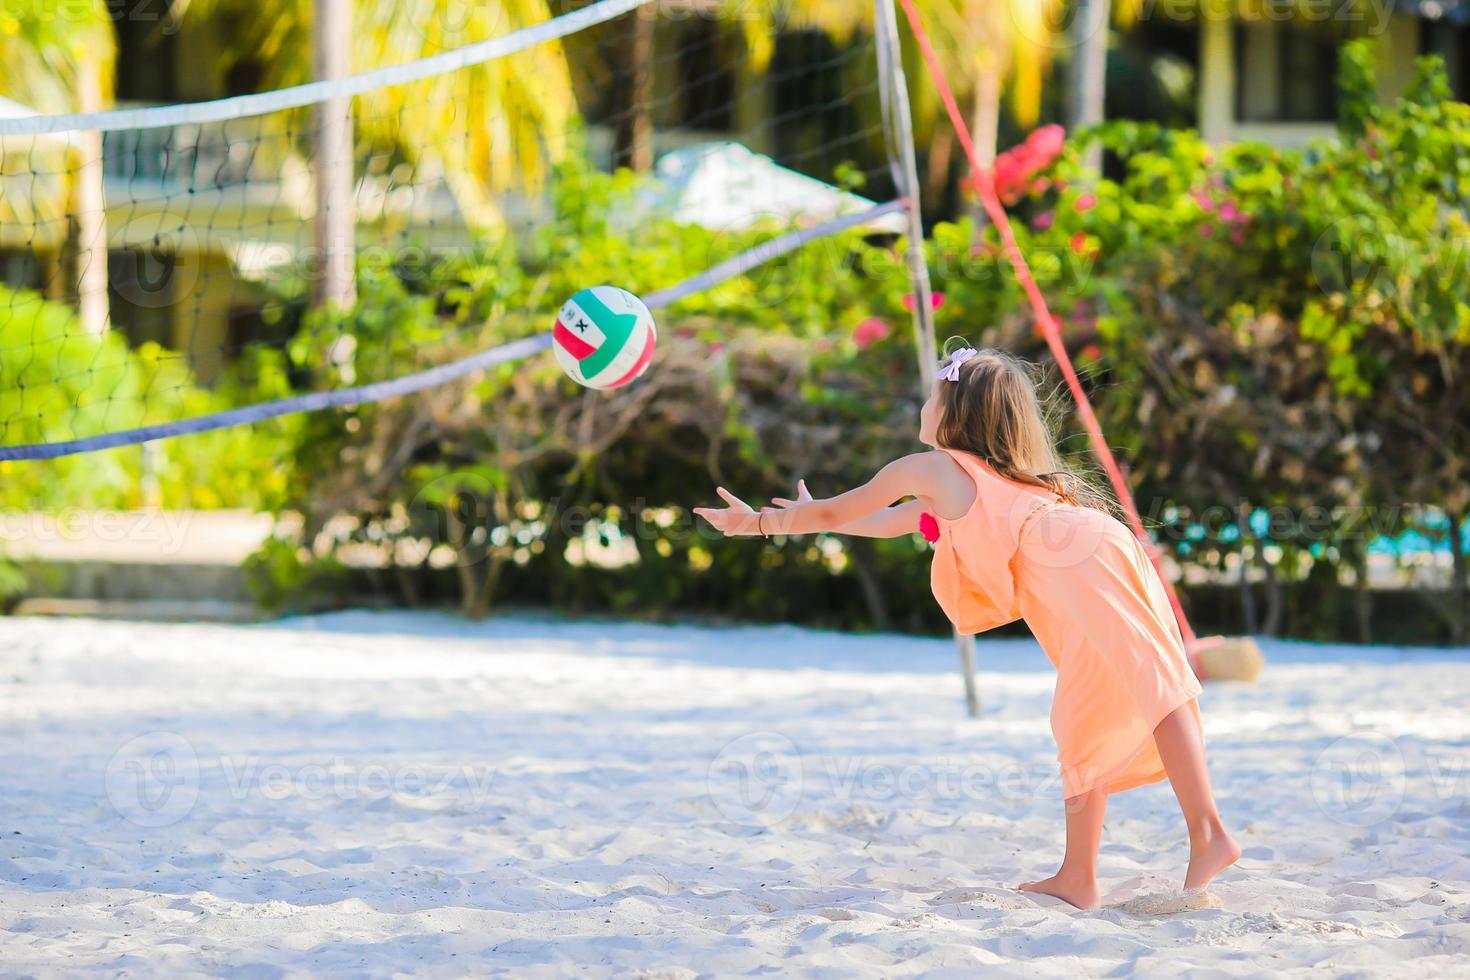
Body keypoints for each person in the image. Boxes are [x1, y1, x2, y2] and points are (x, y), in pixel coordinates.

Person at [694, 346, 1240, 909]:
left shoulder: (930, 466)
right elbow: (882, 521)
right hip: (1080, 551)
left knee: (1150, 683)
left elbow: (837, 513)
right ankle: (1079, 875)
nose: (925, 403)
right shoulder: (982, 482)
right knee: (1088, 707)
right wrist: (809, 515)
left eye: (934, 394)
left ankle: (1208, 833)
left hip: (1071, 558)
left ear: (956, 413)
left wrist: (757, 522)